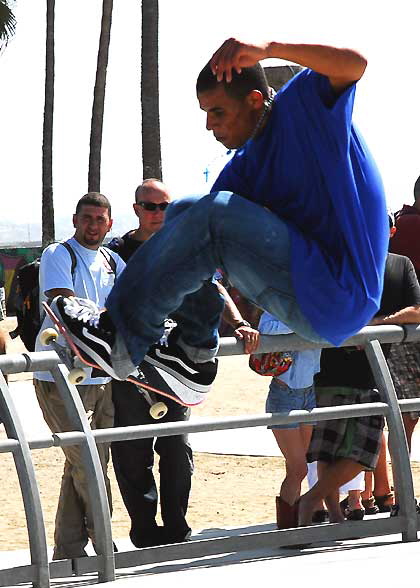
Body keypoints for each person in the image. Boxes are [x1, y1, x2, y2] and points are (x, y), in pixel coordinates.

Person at [48, 39, 388, 405]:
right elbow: (194, 251)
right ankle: (191, 353)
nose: (209, 125)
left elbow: (355, 64)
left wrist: (268, 48)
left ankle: (120, 338)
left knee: (213, 213)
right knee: (186, 212)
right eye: (205, 113)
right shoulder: (243, 170)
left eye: (218, 112)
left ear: (255, 100)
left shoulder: (303, 105)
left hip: (341, 293)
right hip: (304, 293)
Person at [108, 179, 259, 547]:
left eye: (165, 206)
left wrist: (237, 322)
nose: (158, 213)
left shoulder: (185, 246)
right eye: (150, 206)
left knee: (176, 447)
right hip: (132, 366)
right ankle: (144, 530)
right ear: (136, 208)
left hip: (178, 366)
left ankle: (176, 526)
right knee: (131, 450)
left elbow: (214, 288)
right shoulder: (116, 252)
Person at [299, 214, 420, 525]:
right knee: (342, 450)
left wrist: (373, 327)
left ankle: (316, 504)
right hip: (339, 368)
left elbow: (417, 310)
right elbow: (322, 303)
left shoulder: (398, 264)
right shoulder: (343, 261)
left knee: (357, 450)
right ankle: (327, 509)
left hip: (368, 372)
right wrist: (358, 330)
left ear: (393, 230)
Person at [33, 193, 125, 560]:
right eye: (87, 218)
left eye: (100, 219)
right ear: (75, 219)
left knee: (85, 463)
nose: (92, 225)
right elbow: (64, 303)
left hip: (102, 378)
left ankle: (68, 550)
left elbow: (132, 304)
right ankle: (105, 542)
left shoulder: (113, 261)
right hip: (60, 377)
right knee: (87, 462)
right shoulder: (59, 254)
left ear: (110, 224)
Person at [259, 311, 320, 529]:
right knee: (298, 469)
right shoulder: (281, 304)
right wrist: (303, 322)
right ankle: (289, 527)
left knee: (296, 468)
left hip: (308, 391)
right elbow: (265, 327)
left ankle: (293, 524)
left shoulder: (316, 305)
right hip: (284, 393)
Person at [387, 176, 420, 455]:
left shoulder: (400, 224)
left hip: (397, 332)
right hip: (410, 329)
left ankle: (397, 492)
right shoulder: (414, 226)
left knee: (402, 419)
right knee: (405, 416)